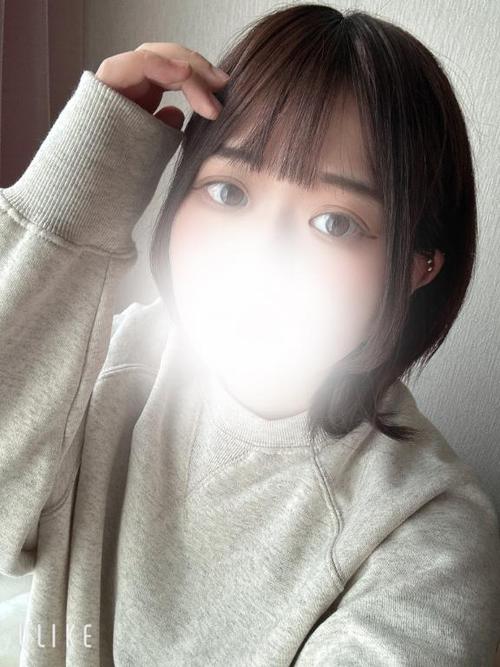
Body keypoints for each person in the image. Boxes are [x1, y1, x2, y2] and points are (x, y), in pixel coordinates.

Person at [0, 3, 499, 665]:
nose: (260, 252)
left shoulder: (426, 536)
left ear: (419, 267)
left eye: (337, 223)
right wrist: (76, 193)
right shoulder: (120, 362)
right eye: (228, 192)